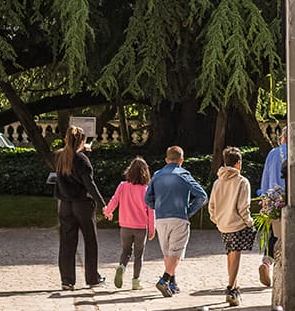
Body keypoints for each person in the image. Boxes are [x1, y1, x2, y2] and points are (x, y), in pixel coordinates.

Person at [143, 145, 208, 298]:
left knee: (168, 252)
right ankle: (164, 279)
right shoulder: (184, 175)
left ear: (166, 159)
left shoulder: (157, 175)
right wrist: (189, 211)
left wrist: (157, 206)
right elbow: (202, 196)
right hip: (179, 216)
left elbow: (147, 199)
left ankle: (172, 283)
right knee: (176, 252)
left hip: (161, 218)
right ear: (181, 160)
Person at [52, 127, 105, 291]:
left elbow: (70, 160)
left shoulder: (60, 156)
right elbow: (90, 184)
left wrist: (82, 152)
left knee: (67, 242)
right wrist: (102, 204)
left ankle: (67, 280)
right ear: (82, 141)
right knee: (90, 241)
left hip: (65, 205)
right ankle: (92, 277)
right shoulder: (82, 160)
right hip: (82, 204)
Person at [208, 147, 256, 306]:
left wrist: (217, 219)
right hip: (236, 224)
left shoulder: (217, 182)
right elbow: (244, 207)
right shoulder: (242, 181)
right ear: (238, 163)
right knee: (235, 256)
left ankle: (235, 287)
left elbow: (212, 205)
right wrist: (249, 222)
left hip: (223, 224)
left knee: (230, 255)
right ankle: (231, 289)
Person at [103, 156, 156, 291]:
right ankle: (136, 281)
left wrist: (108, 212)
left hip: (125, 226)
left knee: (126, 250)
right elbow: (151, 210)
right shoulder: (146, 190)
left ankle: (122, 266)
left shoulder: (123, 186)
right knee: (139, 255)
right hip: (141, 227)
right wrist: (152, 228)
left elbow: (115, 200)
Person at [257, 130, 287, 287]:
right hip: (292, 197)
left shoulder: (274, 153)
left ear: (282, 138)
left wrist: (264, 197)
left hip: (273, 198)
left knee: (272, 235)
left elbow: (266, 177)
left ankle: (267, 262)